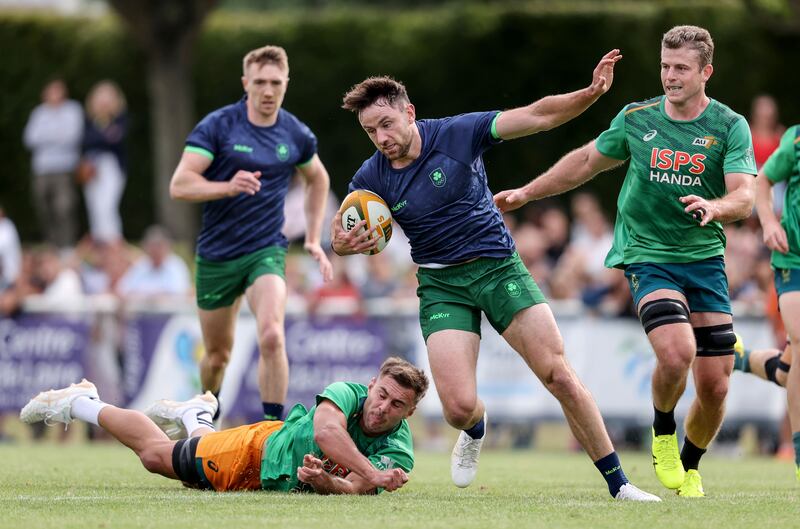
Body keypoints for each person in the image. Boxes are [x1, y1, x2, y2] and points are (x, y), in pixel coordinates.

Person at [332, 53, 659, 502]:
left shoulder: (457, 133)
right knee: (458, 408)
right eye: (371, 131)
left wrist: (589, 94)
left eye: (387, 124)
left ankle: (620, 484)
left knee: (558, 374)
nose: (381, 138)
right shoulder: (372, 176)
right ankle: (476, 428)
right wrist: (341, 241)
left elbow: (539, 115)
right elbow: (346, 226)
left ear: (409, 112)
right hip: (442, 284)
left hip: (499, 267)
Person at [494, 26, 757, 497]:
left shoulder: (729, 125)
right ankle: (661, 432)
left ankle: (690, 464)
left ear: (706, 72)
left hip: (704, 258)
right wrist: (529, 191)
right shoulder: (637, 118)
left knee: (715, 386)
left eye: (681, 68)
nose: (670, 77)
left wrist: (716, 207)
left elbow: (745, 196)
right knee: (677, 352)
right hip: (646, 255)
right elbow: (586, 162)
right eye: (664, 66)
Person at [169, 45, 333, 422]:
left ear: (286, 84)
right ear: (246, 83)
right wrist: (227, 186)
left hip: (265, 251)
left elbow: (318, 178)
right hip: (217, 255)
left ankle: (271, 432)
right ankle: (205, 416)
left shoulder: (295, 133)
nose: (268, 91)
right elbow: (180, 185)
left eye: (276, 82)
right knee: (216, 357)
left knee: (273, 335)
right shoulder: (219, 126)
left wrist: (311, 237)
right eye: (259, 82)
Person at [19, 357, 427, 495]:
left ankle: (197, 414)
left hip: (271, 476)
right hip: (258, 451)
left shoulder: (400, 449)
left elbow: (355, 488)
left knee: (190, 465)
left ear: (408, 413)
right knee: (158, 457)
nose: (382, 408)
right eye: (382, 394)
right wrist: (372, 473)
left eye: (396, 405)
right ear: (371, 385)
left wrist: (325, 483)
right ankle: (83, 401)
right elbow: (326, 433)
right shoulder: (348, 392)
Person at [754, 120, 800, 480]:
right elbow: (763, 180)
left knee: (789, 369)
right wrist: (769, 221)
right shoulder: (796, 139)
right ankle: (796, 449)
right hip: (793, 260)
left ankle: (741, 359)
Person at [23, 78, 83, 250]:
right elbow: (29, 139)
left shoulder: (73, 110)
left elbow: (72, 137)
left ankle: (67, 244)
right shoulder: (39, 113)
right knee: (44, 206)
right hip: (42, 169)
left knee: (64, 207)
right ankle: (52, 244)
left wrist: (47, 136)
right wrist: (57, 135)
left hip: (65, 168)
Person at [80, 80, 128, 245]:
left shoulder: (120, 119)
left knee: (107, 206)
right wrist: (104, 136)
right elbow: (87, 141)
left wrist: (102, 137)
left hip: (111, 166)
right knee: (94, 207)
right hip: (91, 168)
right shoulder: (89, 121)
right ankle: (99, 243)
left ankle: (113, 242)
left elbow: (115, 140)